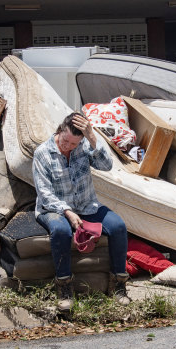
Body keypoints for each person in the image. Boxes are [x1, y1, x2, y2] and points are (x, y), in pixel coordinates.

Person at [32, 112, 130, 312]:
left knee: (118, 226)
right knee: (61, 231)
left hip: (86, 206)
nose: (68, 146)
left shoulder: (85, 146)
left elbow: (107, 165)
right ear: (60, 130)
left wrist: (93, 138)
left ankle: (118, 286)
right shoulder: (43, 153)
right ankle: (65, 288)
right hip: (54, 209)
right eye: (66, 141)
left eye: (74, 144)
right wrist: (67, 211)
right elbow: (44, 193)